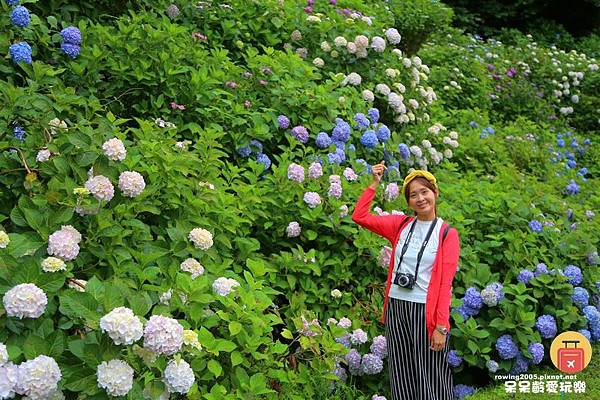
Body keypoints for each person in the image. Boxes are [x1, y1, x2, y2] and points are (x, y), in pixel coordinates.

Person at [351, 161, 460, 400]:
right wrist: (373, 184)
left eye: (424, 192)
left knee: (430, 372)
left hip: (425, 312)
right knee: (401, 372)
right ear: (408, 202)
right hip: (396, 306)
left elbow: (445, 285)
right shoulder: (400, 225)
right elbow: (359, 216)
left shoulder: (446, 234)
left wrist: (441, 327)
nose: (420, 199)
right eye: (413, 195)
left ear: (435, 193)